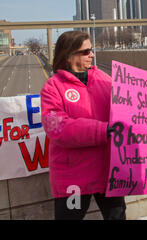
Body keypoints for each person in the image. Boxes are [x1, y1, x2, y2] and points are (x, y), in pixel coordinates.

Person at [40, 31, 126, 220]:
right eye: (86, 51)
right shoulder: (52, 87)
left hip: (108, 173)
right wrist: (102, 130)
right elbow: (57, 128)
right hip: (74, 178)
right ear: (68, 55)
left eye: (91, 50)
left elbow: (126, 110)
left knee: (117, 217)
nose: (92, 55)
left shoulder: (105, 79)